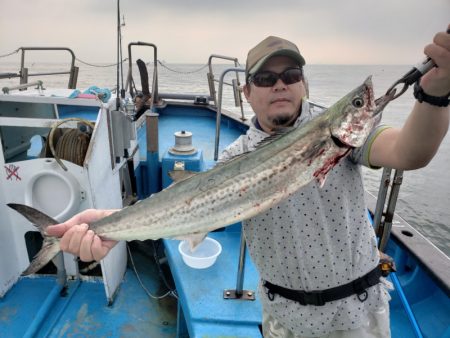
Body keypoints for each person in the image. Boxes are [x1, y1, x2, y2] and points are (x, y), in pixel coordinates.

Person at [47, 28, 450, 337]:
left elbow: (410, 152)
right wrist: (111, 224)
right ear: (246, 91)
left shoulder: (337, 135)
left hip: (358, 315)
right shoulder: (236, 155)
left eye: (291, 74)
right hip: (284, 320)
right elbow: (187, 203)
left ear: (304, 84)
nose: (280, 83)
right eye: (265, 77)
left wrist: (434, 94)